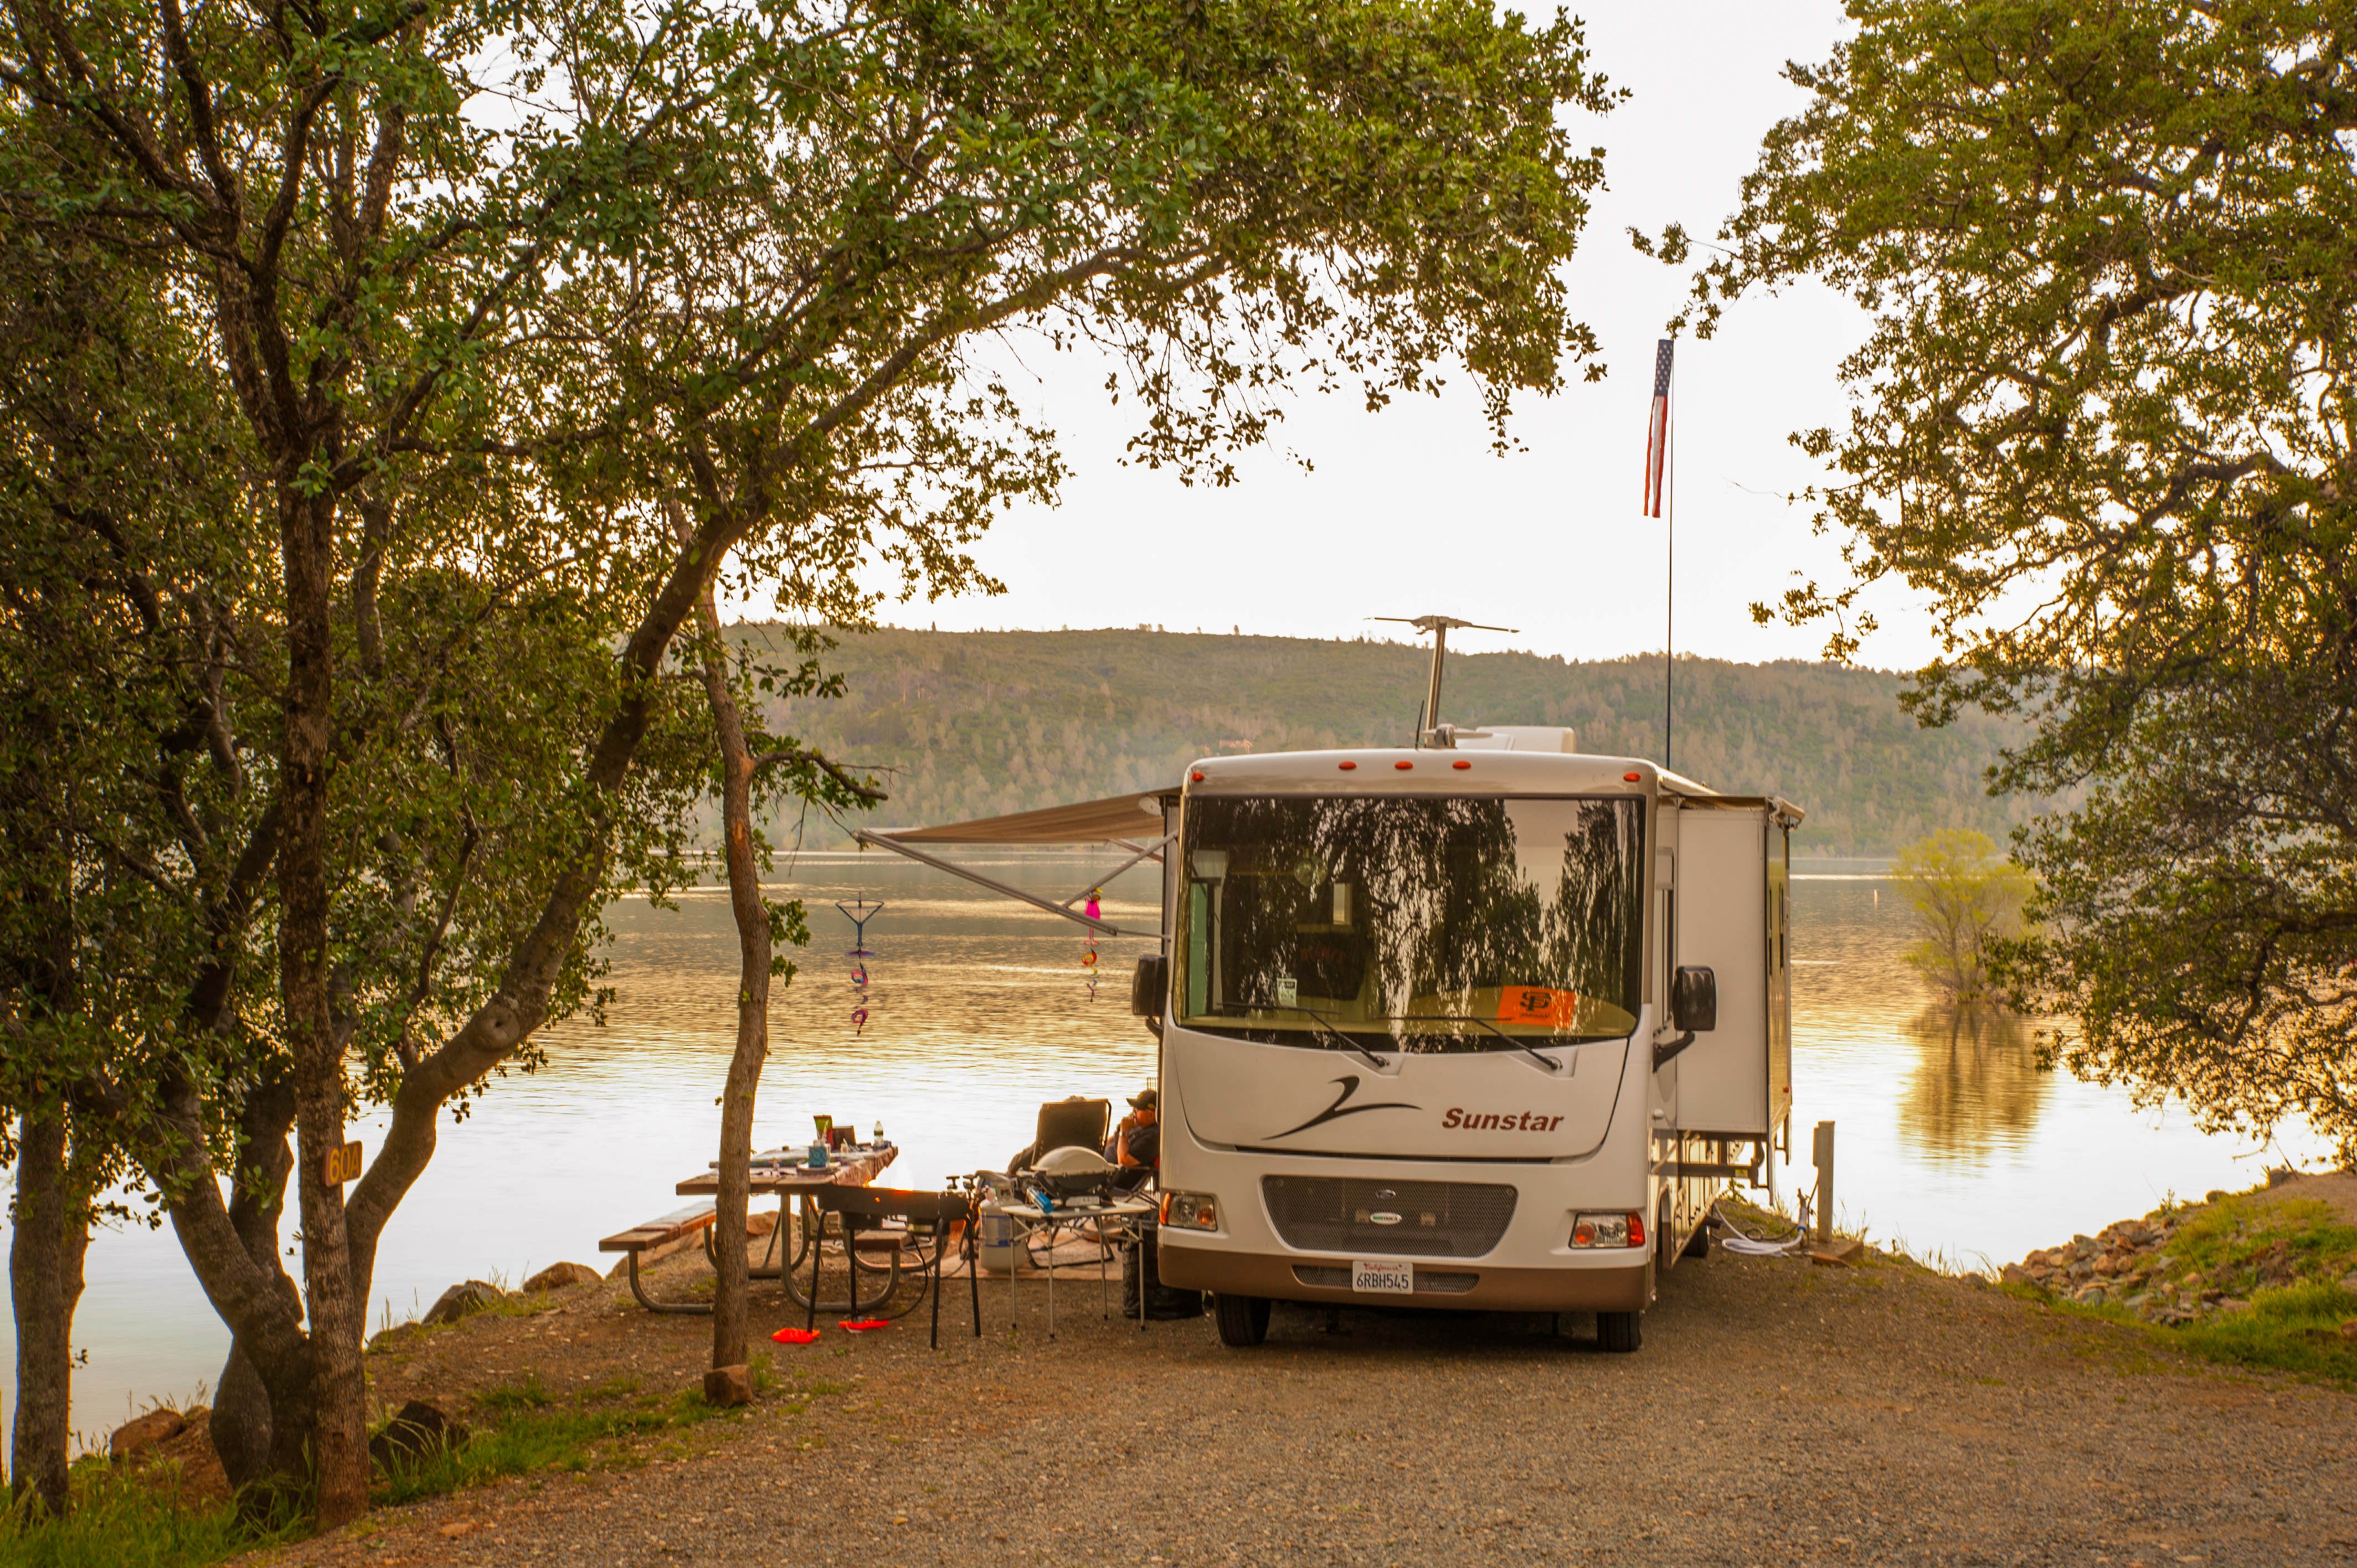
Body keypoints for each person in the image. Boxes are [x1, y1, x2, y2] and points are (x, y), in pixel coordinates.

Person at [1110, 1087, 1159, 1170]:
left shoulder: (1152, 1138)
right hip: (1100, 1165)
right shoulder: (1137, 1126)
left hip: (1110, 1178)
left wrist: (1124, 1132)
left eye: (1138, 1109)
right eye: (1134, 1108)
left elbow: (1124, 1163)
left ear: (1151, 1115)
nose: (1134, 1112)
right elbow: (1110, 1142)